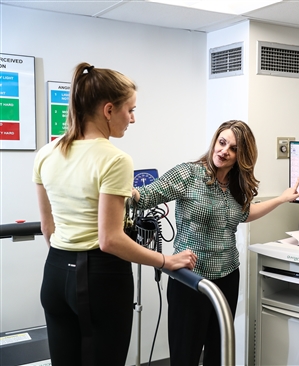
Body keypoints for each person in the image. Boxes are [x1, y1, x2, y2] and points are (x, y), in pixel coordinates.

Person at [33, 62, 198, 366]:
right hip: (99, 277)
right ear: (109, 110)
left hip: (55, 272)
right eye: (130, 110)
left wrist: (67, 262)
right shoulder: (115, 159)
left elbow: (48, 226)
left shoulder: (47, 152)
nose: (132, 119)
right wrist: (166, 260)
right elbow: (110, 240)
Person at [132, 119, 299, 366]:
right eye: (222, 143)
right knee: (185, 357)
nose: (224, 151)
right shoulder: (188, 174)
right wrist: (119, 188)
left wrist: (281, 199)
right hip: (190, 279)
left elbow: (244, 214)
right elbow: (147, 195)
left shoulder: (237, 184)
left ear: (241, 156)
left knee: (218, 354)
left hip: (227, 277)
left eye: (233, 149)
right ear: (215, 141)